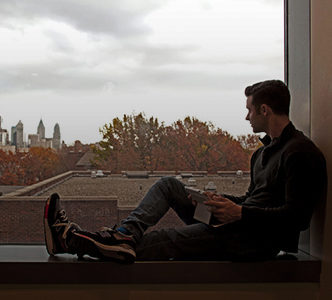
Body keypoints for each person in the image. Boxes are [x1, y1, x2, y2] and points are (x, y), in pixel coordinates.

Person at [44, 80, 327, 263]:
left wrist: (240, 213)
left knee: (163, 240)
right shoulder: (263, 153)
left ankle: (71, 240)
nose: (246, 117)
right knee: (168, 185)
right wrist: (217, 201)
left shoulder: (300, 153)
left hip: (252, 243)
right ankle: (125, 235)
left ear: (265, 110)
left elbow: (297, 219)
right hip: (238, 224)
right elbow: (253, 199)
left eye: (250, 111)